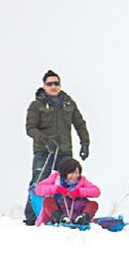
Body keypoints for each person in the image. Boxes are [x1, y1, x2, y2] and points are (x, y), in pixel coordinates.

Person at [24, 70, 90, 225]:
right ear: (44, 86)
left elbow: (80, 123)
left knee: (69, 183)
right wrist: (45, 140)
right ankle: (31, 217)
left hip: (65, 150)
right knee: (38, 183)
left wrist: (85, 143)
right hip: (44, 151)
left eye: (56, 83)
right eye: (49, 84)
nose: (53, 86)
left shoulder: (69, 103)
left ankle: (64, 215)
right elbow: (30, 128)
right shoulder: (36, 105)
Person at [33, 157, 100, 227]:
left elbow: (96, 191)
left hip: (76, 211)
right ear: (64, 173)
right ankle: (61, 218)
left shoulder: (82, 180)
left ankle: (82, 218)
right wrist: (56, 189)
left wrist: (79, 192)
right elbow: (38, 189)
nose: (75, 176)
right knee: (48, 201)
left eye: (77, 173)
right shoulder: (56, 178)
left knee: (93, 204)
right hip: (57, 213)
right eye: (71, 173)